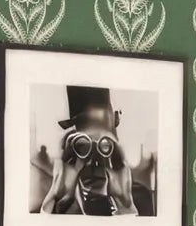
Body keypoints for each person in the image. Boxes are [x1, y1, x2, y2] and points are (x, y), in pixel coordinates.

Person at [37, 86, 154, 218]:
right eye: (83, 147)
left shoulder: (140, 199)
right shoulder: (53, 205)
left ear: (114, 150)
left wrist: (125, 205)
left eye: (105, 146)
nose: (94, 162)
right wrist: (57, 199)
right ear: (68, 153)